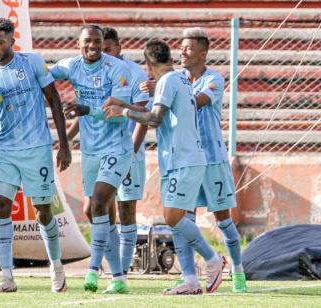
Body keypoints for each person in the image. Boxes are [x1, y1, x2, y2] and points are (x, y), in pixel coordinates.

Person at [104, 39, 226, 295]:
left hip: (184, 159)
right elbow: (156, 110)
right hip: (178, 160)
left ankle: (213, 258)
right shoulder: (178, 80)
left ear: (148, 65)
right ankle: (190, 280)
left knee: (173, 217)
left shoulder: (168, 81)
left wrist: (123, 113)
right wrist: (124, 104)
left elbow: (155, 119)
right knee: (176, 220)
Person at [0, 18, 72, 293]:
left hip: (37, 149)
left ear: (11, 41)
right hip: (6, 152)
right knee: (0, 207)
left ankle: (56, 266)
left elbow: (54, 101)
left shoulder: (32, 62)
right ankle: (7, 277)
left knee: (43, 212)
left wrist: (64, 144)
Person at [50, 24, 133, 294]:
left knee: (98, 204)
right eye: (88, 42)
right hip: (91, 151)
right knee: (99, 212)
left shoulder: (116, 69)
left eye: (98, 42)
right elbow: (43, 76)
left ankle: (94, 270)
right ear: (79, 43)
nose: (93, 46)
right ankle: (119, 277)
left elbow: (119, 111)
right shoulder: (71, 66)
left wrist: (86, 109)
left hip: (117, 148)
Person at [66, 27, 149, 281]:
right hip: (96, 150)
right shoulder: (94, 71)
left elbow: (143, 116)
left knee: (125, 209)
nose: (103, 53)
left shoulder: (132, 73)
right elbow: (90, 111)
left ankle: (120, 269)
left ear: (118, 48)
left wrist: (133, 151)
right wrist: (66, 139)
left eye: (108, 49)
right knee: (94, 208)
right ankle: (115, 268)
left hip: (126, 149)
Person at [176, 27, 247, 293]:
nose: (182, 51)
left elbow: (196, 102)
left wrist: (165, 95)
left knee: (223, 219)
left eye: (188, 48)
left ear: (203, 53)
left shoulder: (213, 79)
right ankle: (190, 277)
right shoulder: (177, 78)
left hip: (213, 159)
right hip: (188, 160)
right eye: (181, 47)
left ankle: (238, 271)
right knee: (184, 218)